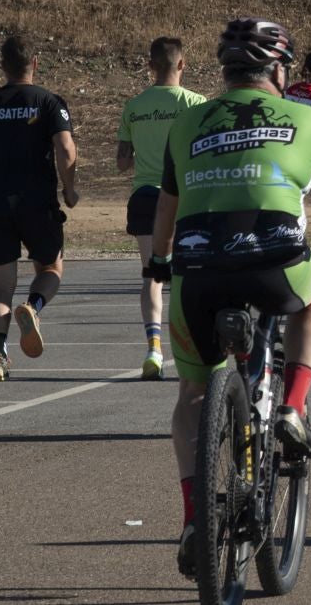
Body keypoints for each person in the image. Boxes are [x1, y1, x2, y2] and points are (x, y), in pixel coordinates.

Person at [147, 18, 311, 578]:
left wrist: (159, 264)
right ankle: (291, 405)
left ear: (225, 72)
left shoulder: (186, 123)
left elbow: (166, 208)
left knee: (191, 396)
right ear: (279, 71)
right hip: (275, 265)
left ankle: (193, 519)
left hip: (198, 273)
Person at [0, 35, 78, 382]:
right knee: (52, 270)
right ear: (35, 64)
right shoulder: (48, 102)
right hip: (37, 203)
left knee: (0, 289)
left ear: (2, 67)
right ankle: (34, 307)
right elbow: (66, 149)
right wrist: (69, 190)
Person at [116, 38, 206, 380]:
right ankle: (190, 349)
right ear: (181, 65)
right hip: (184, 196)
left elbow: (123, 163)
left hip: (144, 195)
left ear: (150, 64)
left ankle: (153, 347)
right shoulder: (196, 104)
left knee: (152, 274)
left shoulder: (134, 106)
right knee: (186, 277)